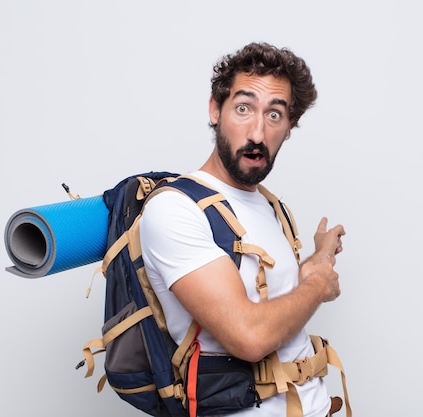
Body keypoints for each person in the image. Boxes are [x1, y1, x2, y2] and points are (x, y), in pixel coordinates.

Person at [140, 42, 346, 417]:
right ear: (215, 110)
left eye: (275, 115)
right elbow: (249, 336)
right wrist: (318, 286)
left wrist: (315, 264)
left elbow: (274, 301)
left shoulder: (271, 206)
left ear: (289, 127)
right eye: (243, 108)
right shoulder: (175, 209)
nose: (257, 132)